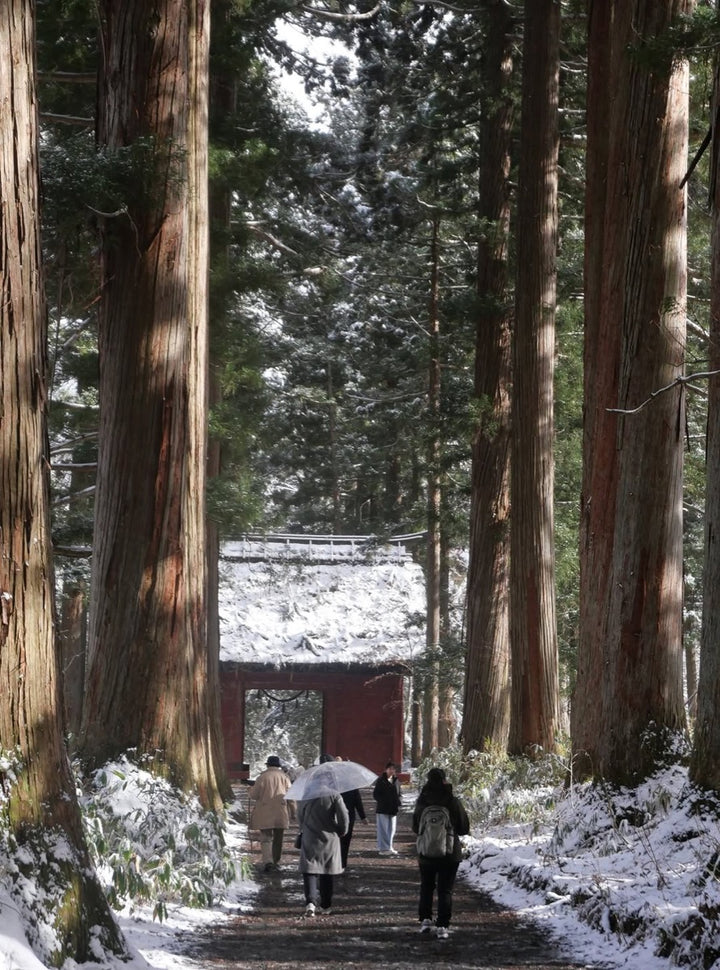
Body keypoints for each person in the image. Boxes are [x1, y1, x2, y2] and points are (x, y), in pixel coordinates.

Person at [411, 766, 469, 939]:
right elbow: (464, 827)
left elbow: (415, 827)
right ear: (444, 780)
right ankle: (443, 925)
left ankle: (426, 919)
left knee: (427, 887)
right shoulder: (452, 800)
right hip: (450, 853)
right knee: (445, 890)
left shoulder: (422, 801)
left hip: (426, 853)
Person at [297, 791, 349, 916]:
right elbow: (344, 816)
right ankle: (326, 905)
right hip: (329, 837)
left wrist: (304, 828)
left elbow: (300, 816)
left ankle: (310, 902)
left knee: (309, 869)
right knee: (327, 870)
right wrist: (342, 831)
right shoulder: (334, 795)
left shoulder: (305, 795)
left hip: (310, 836)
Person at [248, 755, 295, 872]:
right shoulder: (285, 777)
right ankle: (276, 861)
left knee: (266, 838)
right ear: (278, 766)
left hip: (265, 812)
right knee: (278, 839)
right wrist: (294, 812)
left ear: (268, 765)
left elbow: (254, 795)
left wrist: (249, 790)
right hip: (281, 812)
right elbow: (291, 796)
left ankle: (268, 861)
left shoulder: (262, 777)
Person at [336, 757, 367, 870]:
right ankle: (342, 863)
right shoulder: (352, 785)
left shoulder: (334, 784)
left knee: (337, 839)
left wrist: (363, 816)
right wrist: (363, 816)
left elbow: (357, 801)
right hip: (349, 816)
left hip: (336, 815)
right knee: (345, 840)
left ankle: (338, 861)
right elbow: (357, 801)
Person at [373, 761, 401, 856]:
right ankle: (383, 848)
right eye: (389, 769)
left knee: (392, 829)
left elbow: (399, 793)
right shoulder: (381, 781)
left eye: (393, 769)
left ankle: (389, 846)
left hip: (393, 808)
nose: (391, 771)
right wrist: (384, 801)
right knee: (383, 829)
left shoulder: (396, 781)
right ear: (386, 770)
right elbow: (376, 794)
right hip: (383, 808)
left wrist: (398, 801)